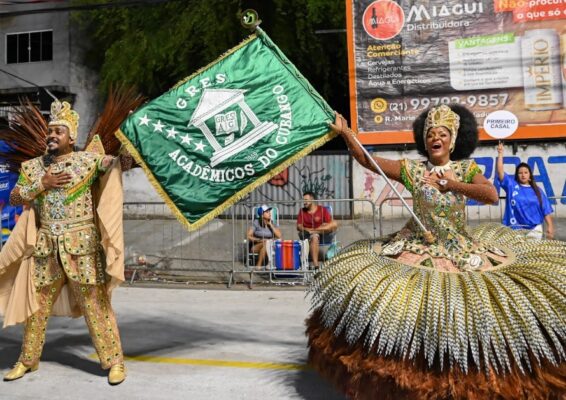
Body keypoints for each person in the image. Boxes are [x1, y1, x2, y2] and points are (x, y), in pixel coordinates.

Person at [306, 105, 566, 399]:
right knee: (405, 306)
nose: (436, 138)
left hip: (458, 247)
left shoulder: (466, 169)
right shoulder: (412, 170)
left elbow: (491, 195)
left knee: (461, 310)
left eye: (443, 134)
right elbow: (369, 160)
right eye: (431, 134)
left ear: (452, 141)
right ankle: (402, 370)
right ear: (425, 140)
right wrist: (347, 134)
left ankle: (458, 372)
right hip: (417, 245)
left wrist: (449, 184)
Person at [0, 100, 127, 385]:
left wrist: (128, 146)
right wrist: (41, 184)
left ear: (72, 138)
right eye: (50, 131)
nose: (52, 135)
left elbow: (117, 165)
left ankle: (115, 361)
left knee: (96, 305)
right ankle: (28, 360)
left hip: (82, 247)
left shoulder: (89, 161)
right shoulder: (33, 168)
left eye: (59, 131)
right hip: (45, 248)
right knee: (37, 307)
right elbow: (15, 198)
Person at [496, 143, 554, 240]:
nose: (523, 175)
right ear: (517, 175)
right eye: (520, 173)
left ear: (530, 175)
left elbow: (546, 210)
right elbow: (500, 171)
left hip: (535, 230)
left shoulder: (538, 191)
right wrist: (500, 154)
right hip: (515, 230)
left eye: (526, 172)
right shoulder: (511, 186)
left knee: (534, 254)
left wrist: (550, 226)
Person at [296, 191, 337, 269]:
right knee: (314, 236)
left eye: (306, 200)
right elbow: (299, 226)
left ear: (312, 199)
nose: (304, 202)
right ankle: (316, 265)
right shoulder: (302, 211)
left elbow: (330, 225)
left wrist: (318, 228)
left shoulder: (322, 209)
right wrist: (306, 229)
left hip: (324, 234)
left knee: (334, 223)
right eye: (303, 200)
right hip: (308, 235)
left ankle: (315, 231)